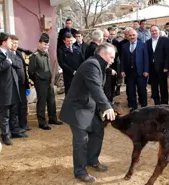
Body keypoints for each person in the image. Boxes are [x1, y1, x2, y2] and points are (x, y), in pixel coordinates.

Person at [59, 43, 116, 183]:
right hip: (77, 109)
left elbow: (97, 89)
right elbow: (96, 87)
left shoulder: (99, 65)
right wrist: (106, 107)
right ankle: (80, 171)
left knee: (98, 131)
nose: (113, 60)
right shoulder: (92, 65)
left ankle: (93, 160)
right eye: (112, 57)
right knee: (81, 141)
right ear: (103, 54)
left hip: (89, 107)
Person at [0, 32, 27, 146]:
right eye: (10, 41)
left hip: (14, 86)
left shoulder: (11, 53)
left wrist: (12, 62)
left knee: (14, 111)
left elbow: (19, 64)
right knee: (5, 113)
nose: (12, 43)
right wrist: (6, 63)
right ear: (4, 42)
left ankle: (15, 131)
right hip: (4, 88)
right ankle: (5, 135)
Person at [121, 28, 149, 112]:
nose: (132, 37)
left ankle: (144, 106)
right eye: (130, 35)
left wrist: (146, 70)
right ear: (127, 36)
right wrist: (122, 70)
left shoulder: (143, 45)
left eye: (133, 35)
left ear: (137, 35)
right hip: (129, 72)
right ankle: (134, 108)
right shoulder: (124, 46)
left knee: (142, 89)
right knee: (130, 90)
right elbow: (122, 60)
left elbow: (146, 59)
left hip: (140, 72)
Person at [10, 35, 31, 131]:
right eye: (14, 43)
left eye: (17, 43)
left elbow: (23, 68)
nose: (15, 45)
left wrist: (27, 84)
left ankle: (24, 124)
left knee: (23, 105)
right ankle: (16, 126)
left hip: (22, 84)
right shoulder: (7, 54)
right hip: (13, 85)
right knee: (15, 107)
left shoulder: (19, 53)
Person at [146, 26, 169, 105]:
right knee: (154, 87)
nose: (154, 32)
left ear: (159, 31)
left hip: (162, 68)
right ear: (150, 32)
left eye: (155, 30)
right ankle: (157, 104)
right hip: (152, 68)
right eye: (152, 31)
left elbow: (168, 54)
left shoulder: (165, 40)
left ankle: (164, 104)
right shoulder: (148, 42)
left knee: (163, 87)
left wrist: (166, 67)